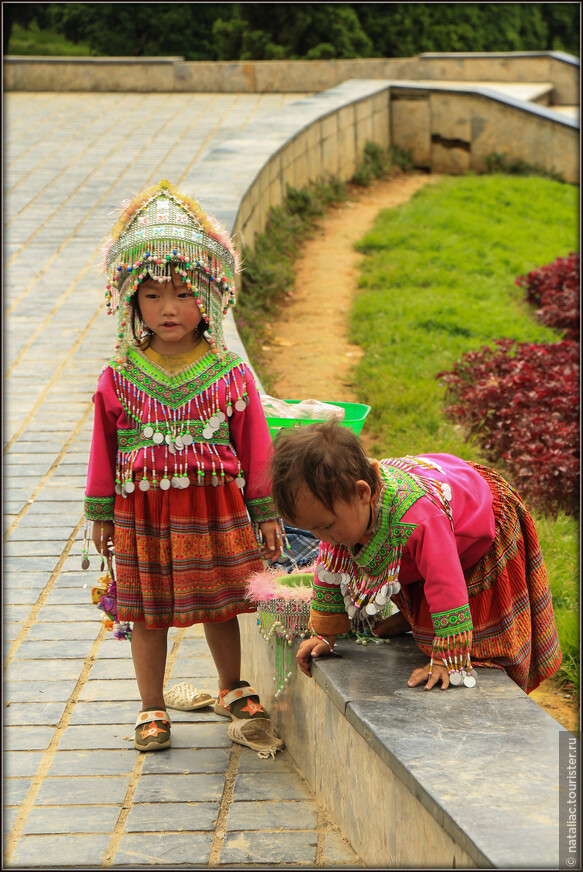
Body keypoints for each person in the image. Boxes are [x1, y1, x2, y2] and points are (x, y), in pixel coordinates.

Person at [84, 179, 282, 751]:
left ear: (211, 297)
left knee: (222, 600)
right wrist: (101, 512)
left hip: (216, 509)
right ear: (131, 303)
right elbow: (104, 449)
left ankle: (231, 686)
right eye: (152, 295)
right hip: (141, 512)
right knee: (146, 612)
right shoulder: (118, 377)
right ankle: (150, 707)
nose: (169, 308)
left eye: (184, 293)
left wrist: (264, 510)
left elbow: (256, 448)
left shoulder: (229, 373)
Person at [268, 420, 562, 694]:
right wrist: (324, 636)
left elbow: (446, 583)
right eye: (311, 529)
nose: (320, 537)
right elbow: (330, 568)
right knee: (397, 557)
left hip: (473, 529)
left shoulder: (419, 519)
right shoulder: (343, 513)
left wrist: (447, 658)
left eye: (325, 526)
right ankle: (415, 618)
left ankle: (455, 644)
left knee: (480, 638)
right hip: (432, 518)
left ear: (363, 492)